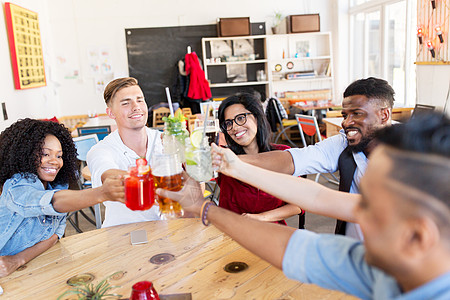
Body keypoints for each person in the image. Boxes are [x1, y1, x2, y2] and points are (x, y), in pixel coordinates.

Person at [157, 112, 450, 299]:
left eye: (369, 207)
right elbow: (299, 241)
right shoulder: (387, 269)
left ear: (417, 235)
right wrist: (203, 206)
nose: (354, 211)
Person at [242, 77, 395, 239]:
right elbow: (294, 160)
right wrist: (230, 161)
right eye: (345, 115)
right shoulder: (345, 143)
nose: (346, 122)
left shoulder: (413, 155)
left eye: (357, 114)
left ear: (384, 115)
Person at [0, 119, 124, 277]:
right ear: (26, 154)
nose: (54, 161)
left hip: (31, 268)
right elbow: (51, 201)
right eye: (45, 154)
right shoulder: (17, 186)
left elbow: (54, 236)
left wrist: (18, 260)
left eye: (59, 156)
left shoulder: (58, 187)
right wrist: (101, 193)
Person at [87, 77, 163, 227]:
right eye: (126, 103)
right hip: (124, 235)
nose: (136, 107)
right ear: (111, 113)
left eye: (140, 100)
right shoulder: (100, 150)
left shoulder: (164, 140)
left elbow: (195, 191)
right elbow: (109, 177)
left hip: (172, 231)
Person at [217, 93, 302, 225]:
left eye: (240, 118)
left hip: (270, 234)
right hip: (230, 235)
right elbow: (198, 187)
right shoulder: (222, 157)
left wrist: (261, 217)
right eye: (228, 123)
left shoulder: (281, 155)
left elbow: (297, 205)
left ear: (257, 117)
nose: (234, 127)